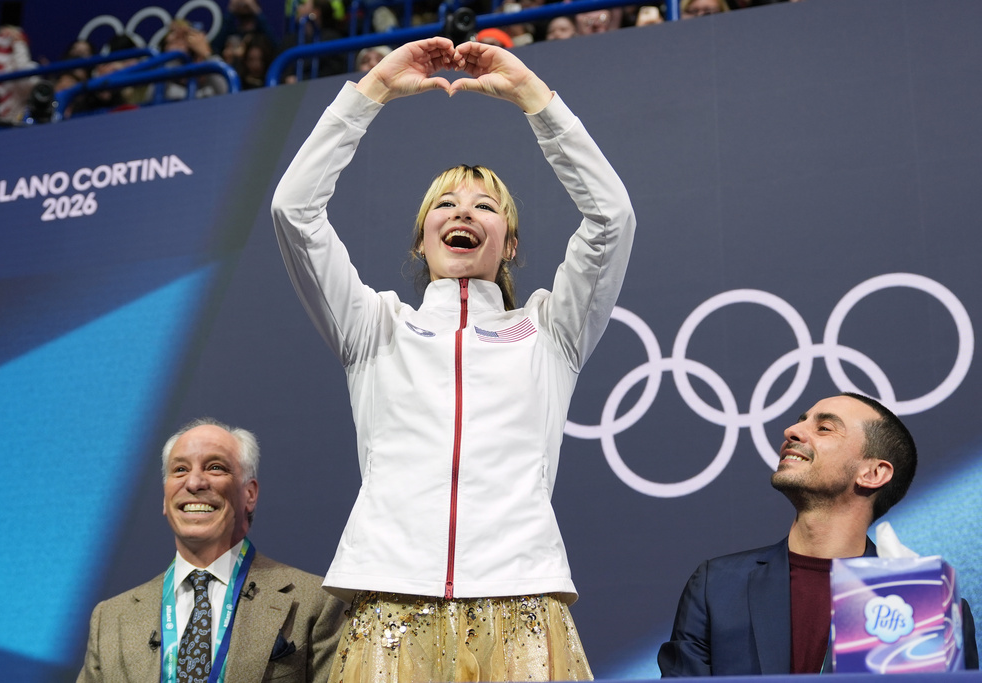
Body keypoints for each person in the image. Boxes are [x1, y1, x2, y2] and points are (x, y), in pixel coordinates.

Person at [270, 37, 635, 682]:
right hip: (391, 599)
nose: (463, 211)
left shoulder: (551, 329)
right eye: (445, 204)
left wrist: (534, 98)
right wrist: (373, 91)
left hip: (521, 597)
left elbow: (611, 218)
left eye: (485, 206)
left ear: (510, 244)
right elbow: (293, 212)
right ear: (421, 239)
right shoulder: (374, 325)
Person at [658, 393, 980, 676]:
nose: (792, 431)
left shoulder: (929, 608)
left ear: (873, 473)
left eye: (824, 428)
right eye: (801, 421)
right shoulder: (717, 585)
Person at [76, 418, 346, 683]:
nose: (194, 483)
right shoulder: (110, 618)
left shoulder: (317, 602)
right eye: (180, 470)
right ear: (165, 498)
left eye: (215, 468)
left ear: (249, 494)